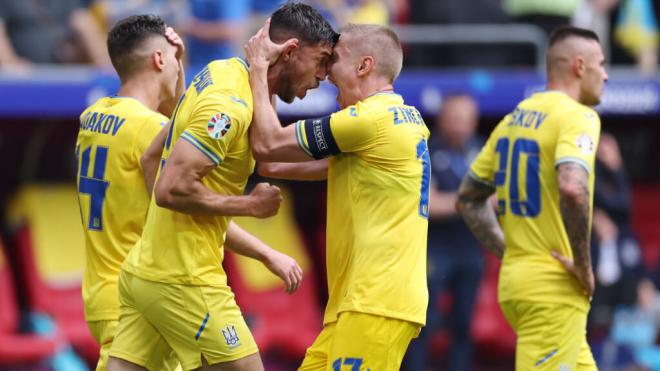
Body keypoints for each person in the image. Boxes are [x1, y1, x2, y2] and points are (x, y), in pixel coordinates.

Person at [106, 3, 337, 371]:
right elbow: (170, 189)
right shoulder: (228, 107)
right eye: (322, 60)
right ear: (290, 51)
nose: (326, 74)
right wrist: (249, 206)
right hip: (185, 282)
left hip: (145, 274)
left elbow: (153, 159)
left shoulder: (220, 73)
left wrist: (343, 169)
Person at [244, 21, 429, 371]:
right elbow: (269, 160)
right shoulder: (395, 122)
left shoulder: (369, 120)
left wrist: (260, 67)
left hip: (374, 303)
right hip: (353, 305)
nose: (326, 72)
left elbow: (267, 142)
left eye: (335, 60)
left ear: (364, 66)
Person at [456, 25, 608, 370]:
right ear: (579, 66)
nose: (607, 74)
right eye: (601, 63)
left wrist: (509, 252)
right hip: (553, 286)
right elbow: (573, 186)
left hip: (519, 280)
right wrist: (584, 267)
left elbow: (468, 198)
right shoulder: (578, 116)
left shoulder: (513, 120)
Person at [76, 15, 185, 371]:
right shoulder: (148, 128)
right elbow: (179, 142)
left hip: (101, 293)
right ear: (159, 60)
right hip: (133, 299)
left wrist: (176, 65)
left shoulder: (92, 116)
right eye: (172, 58)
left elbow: (171, 127)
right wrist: (267, 253)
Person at [404, 94, 485, 371]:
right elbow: (427, 203)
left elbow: (498, 197)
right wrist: (469, 201)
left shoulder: (481, 151)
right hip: (434, 250)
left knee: (463, 324)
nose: (460, 125)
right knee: (424, 323)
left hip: (471, 250)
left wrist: (458, 202)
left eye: (466, 119)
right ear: (442, 119)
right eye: (454, 118)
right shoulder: (425, 149)